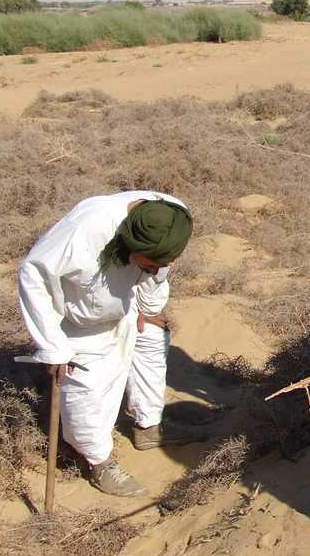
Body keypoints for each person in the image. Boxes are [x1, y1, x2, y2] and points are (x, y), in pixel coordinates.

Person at [18, 192, 194, 497]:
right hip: (83, 319)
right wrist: (52, 345)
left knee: (152, 346)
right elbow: (34, 275)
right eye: (151, 263)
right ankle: (96, 461)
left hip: (128, 305)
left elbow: (160, 270)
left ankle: (148, 428)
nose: (164, 266)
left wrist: (149, 307)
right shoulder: (84, 231)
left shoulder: (172, 217)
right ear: (132, 245)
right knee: (87, 389)